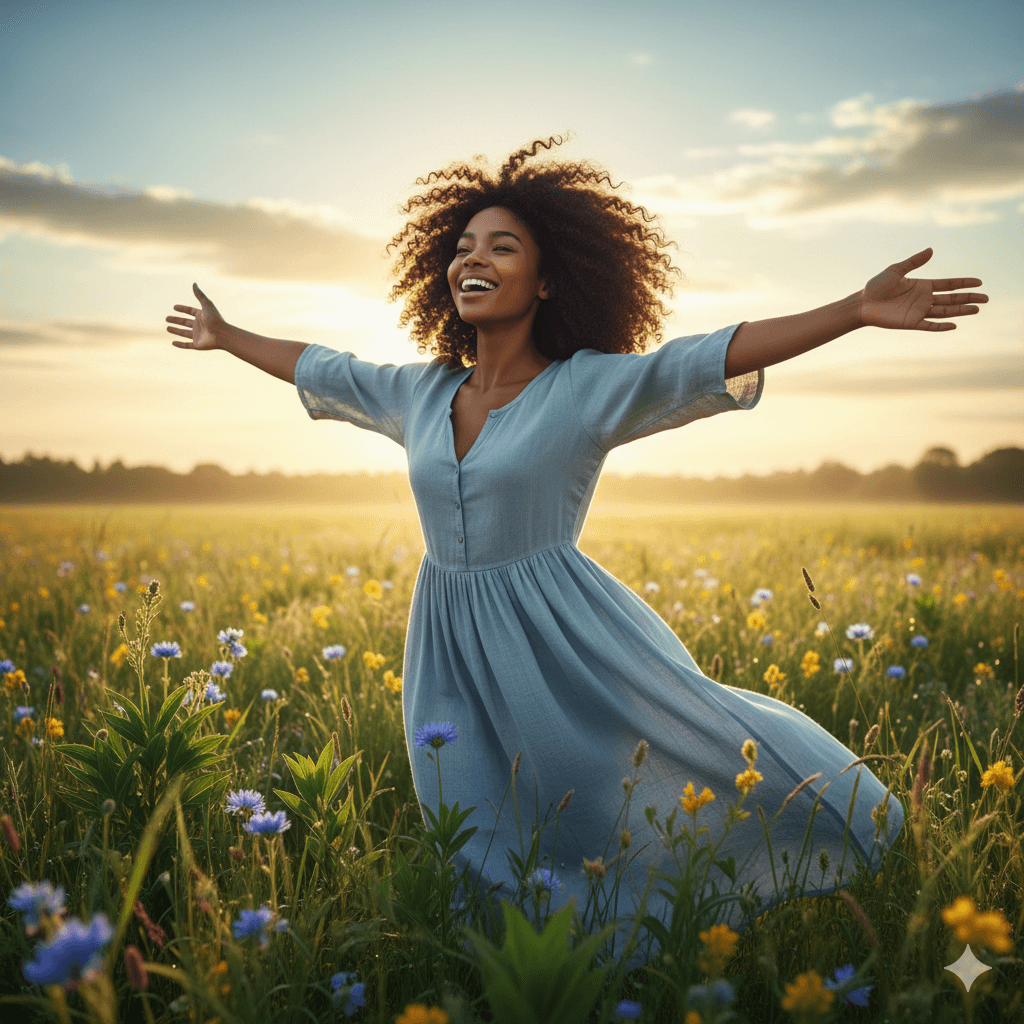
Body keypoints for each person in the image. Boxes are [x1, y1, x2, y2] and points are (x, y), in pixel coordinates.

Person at [166, 135, 987, 959]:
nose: (472, 260)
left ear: (547, 279)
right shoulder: (417, 393)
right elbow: (322, 366)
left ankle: (640, 948)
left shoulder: (585, 386)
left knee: (596, 805)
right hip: (446, 643)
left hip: (564, 640)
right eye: (461, 248)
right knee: (469, 821)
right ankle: (499, 975)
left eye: (502, 246)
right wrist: (228, 334)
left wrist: (851, 309)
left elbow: (704, 358)